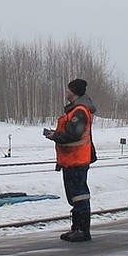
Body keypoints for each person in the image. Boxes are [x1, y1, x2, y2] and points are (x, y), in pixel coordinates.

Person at [43, 78, 97, 242]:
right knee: (75, 196)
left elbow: (74, 134)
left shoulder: (79, 111)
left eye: (68, 90)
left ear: (74, 91)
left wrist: (55, 136)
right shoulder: (75, 110)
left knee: (79, 195)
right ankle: (77, 228)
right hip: (72, 159)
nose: (66, 92)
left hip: (77, 159)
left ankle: (82, 230)